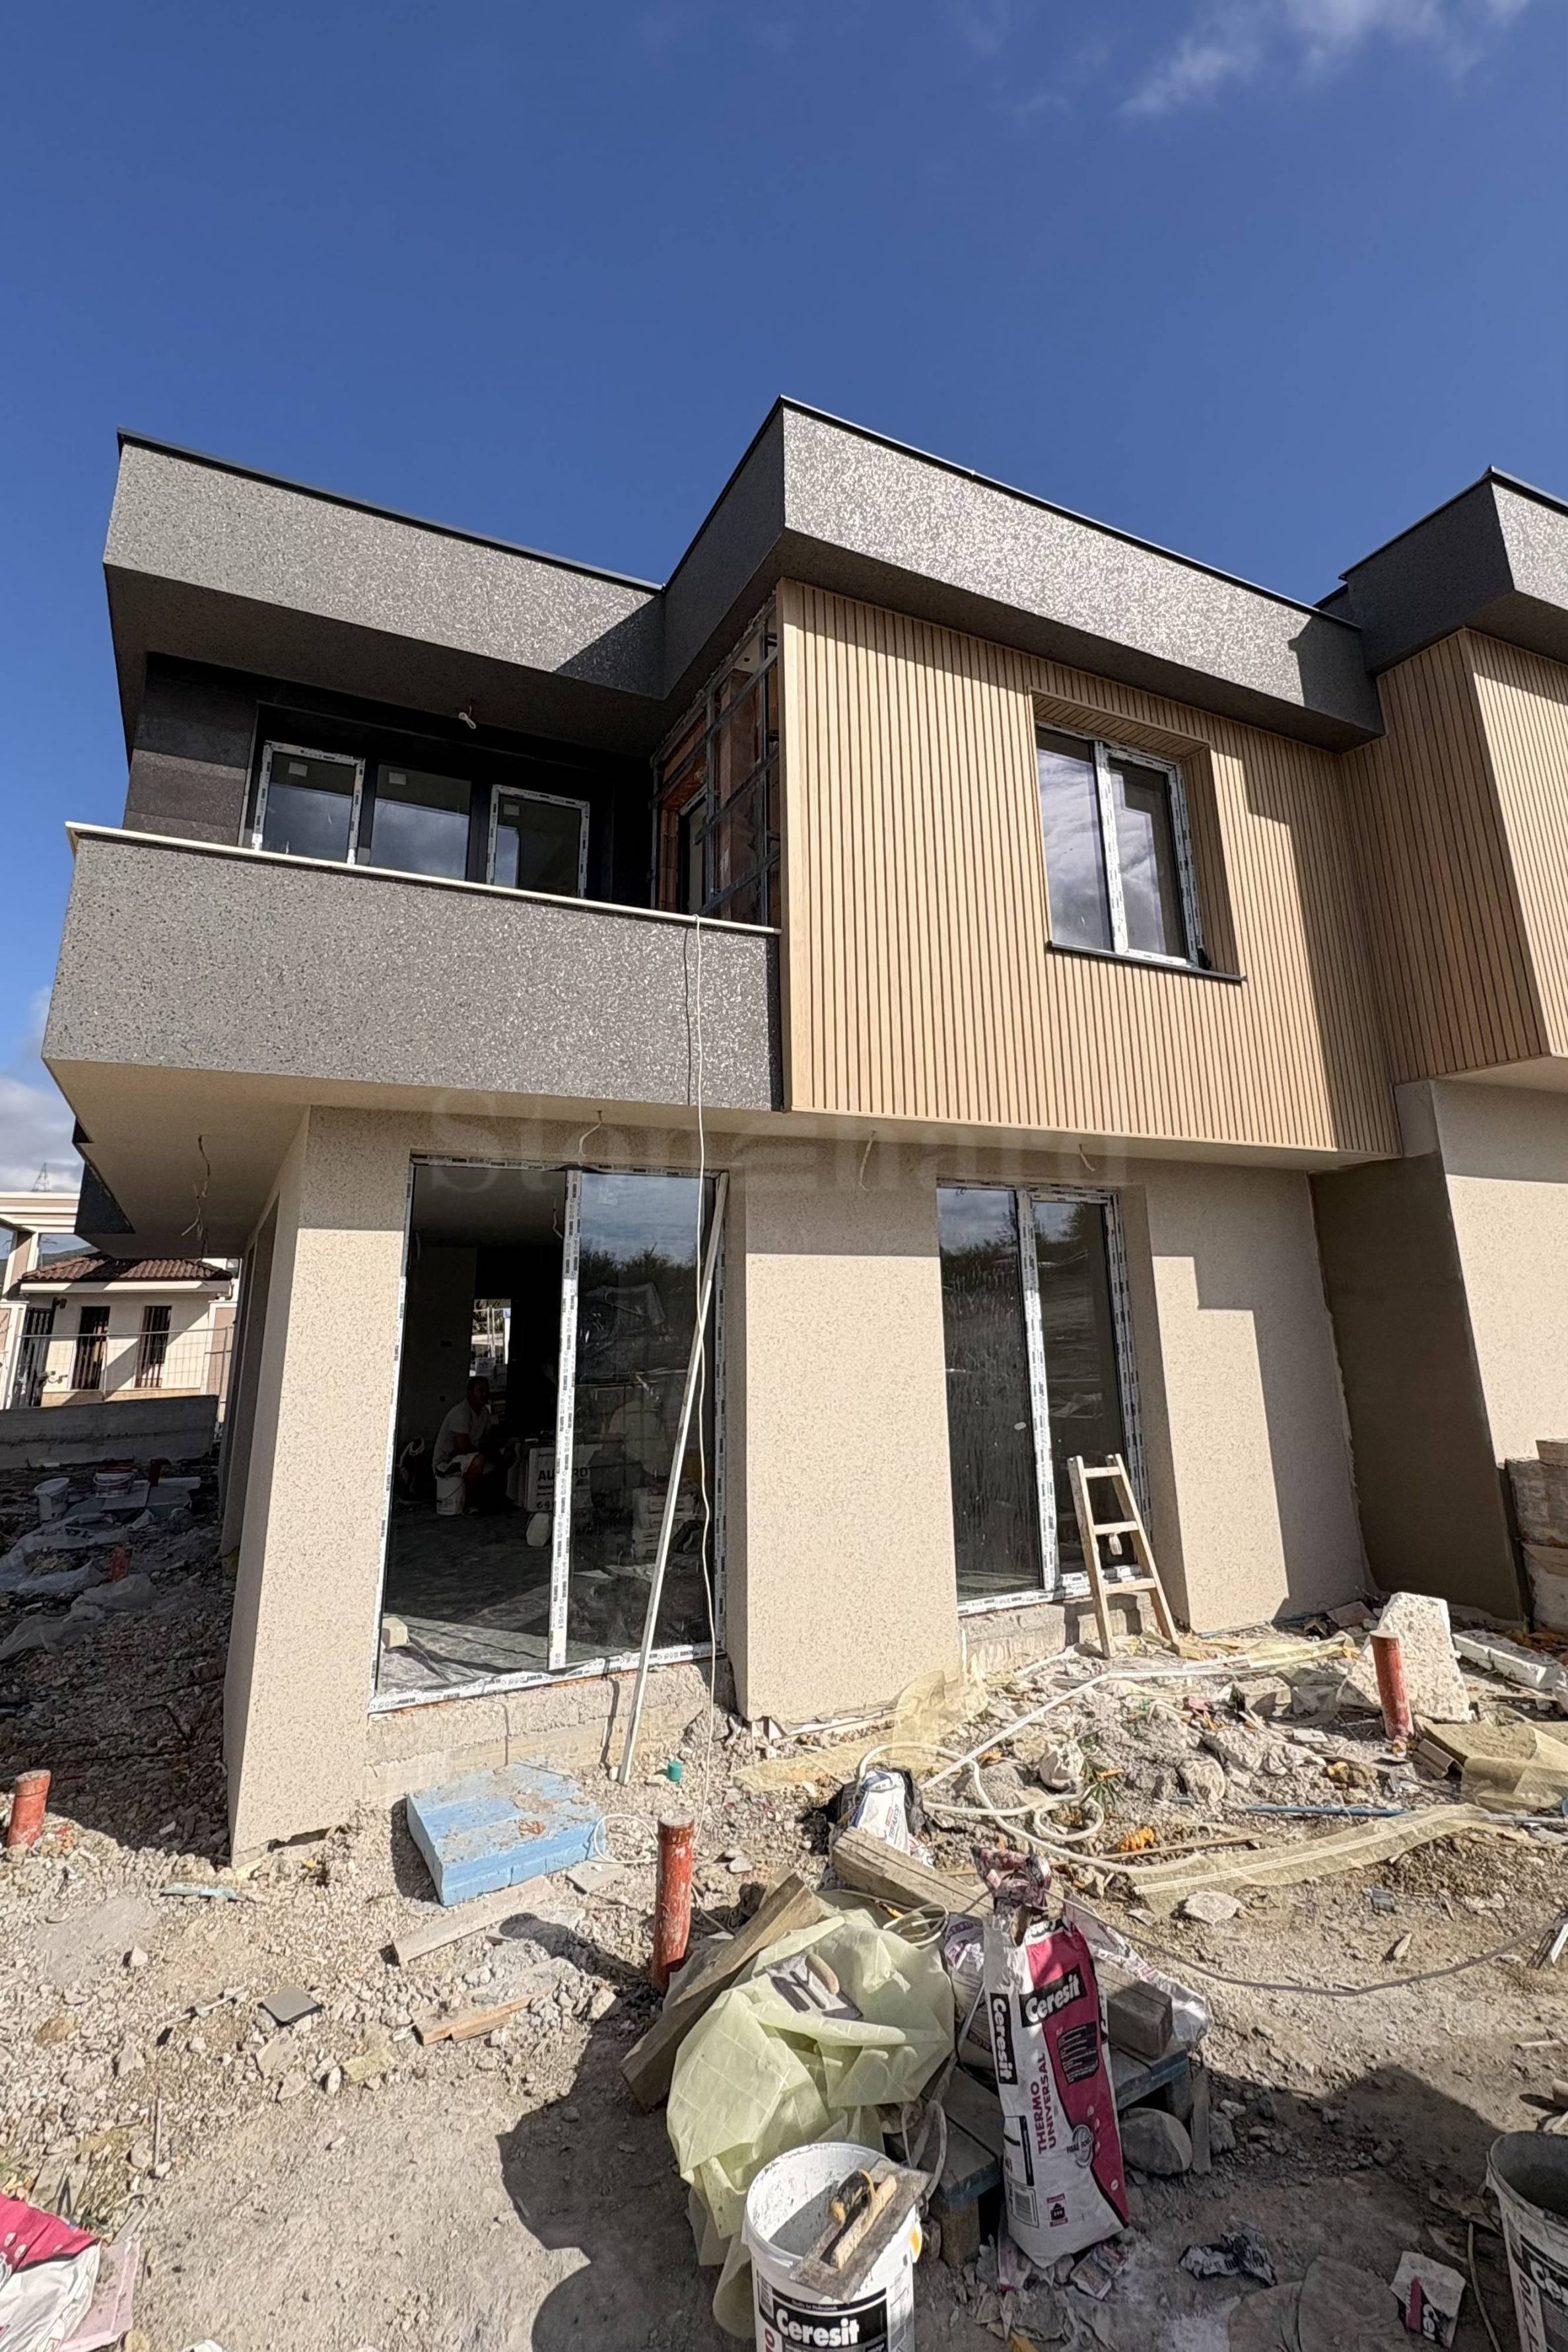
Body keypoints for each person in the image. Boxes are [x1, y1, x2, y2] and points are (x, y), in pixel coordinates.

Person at [433, 1377, 493, 1510]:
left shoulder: (484, 1412)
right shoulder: (460, 1413)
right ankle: (468, 1504)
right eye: (481, 1390)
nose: (485, 1394)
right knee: (478, 1461)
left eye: (487, 1390)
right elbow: (463, 1448)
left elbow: (488, 1439)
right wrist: (487, 1454)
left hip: (467, 1456)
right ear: (470, 1393)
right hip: (447, 1462)